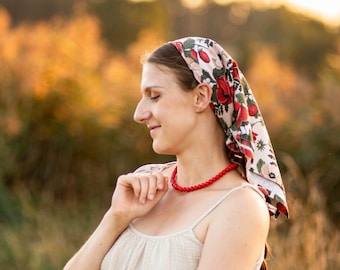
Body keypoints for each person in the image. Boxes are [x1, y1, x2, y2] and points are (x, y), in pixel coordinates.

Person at [64, 37, 288, 270]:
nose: (139, 114)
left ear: (200, 97)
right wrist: (116, 217)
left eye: (154, 96)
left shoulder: (239, 207)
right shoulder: (146, 184)